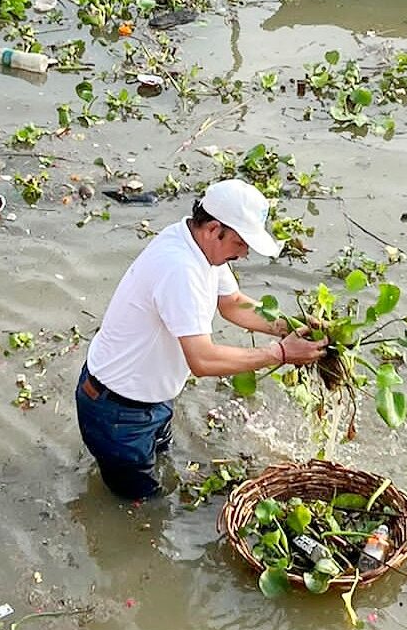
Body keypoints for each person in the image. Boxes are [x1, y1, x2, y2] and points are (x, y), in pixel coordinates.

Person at [75, 178, 327, 500]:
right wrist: (280, 353)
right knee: (142, 506)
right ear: (213, 228)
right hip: (118, 410)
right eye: (240, 243)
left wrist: (287, 326)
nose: (245, 253)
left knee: (162, 467)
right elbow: (203, 359)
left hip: (151, 400)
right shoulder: (180, 267)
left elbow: (232, 303)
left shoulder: (198, 245)